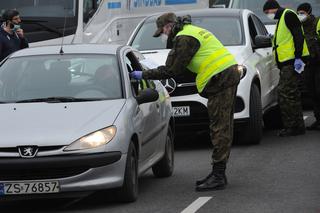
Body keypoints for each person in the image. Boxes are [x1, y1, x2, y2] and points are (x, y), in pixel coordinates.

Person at [130, 12, 240, 191]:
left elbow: (171, 70)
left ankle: (219, 175)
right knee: (223, 126)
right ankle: (219, 173)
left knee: (219, 127)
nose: (164, 35)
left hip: (221, 78)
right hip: (226, 74)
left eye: (163, 31)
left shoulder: (183, 38)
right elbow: (188, 67)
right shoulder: (193, 30)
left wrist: (142, 74)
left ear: (169, 26)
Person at [263, 0, 310, 136]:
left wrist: (298, 57)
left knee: (284, 92)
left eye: (267, 12)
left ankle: (292, 126)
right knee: (292, 93)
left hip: (292, 61)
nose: (267, 15)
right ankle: (297, 126)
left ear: (274, 9)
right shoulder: (281, 19)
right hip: (287, 62)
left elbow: (298, 36)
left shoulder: (288, 15)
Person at [297, 3, 320, 130]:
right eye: (298, 13)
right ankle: (318, 119)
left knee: (319, 91)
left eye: (302, 12)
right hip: (308, 64)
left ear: (308, 12)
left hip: (319, 64)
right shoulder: (299, 27)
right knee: (312, 93)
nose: (300, 15)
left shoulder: (317, 23)